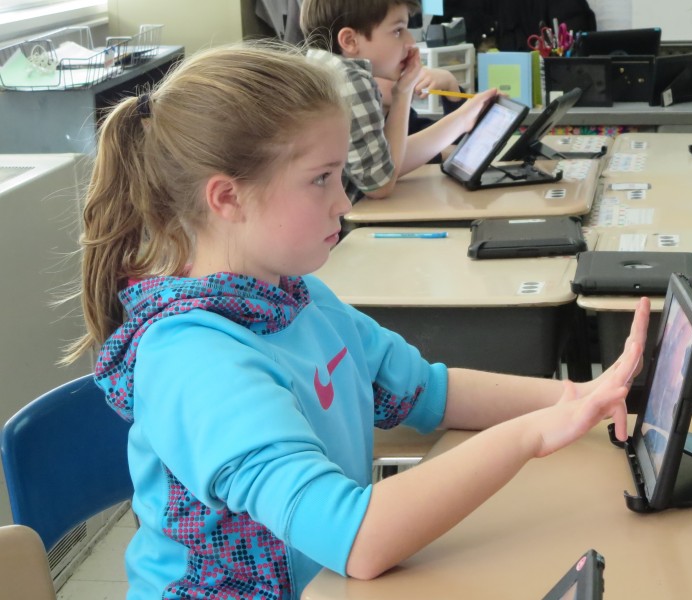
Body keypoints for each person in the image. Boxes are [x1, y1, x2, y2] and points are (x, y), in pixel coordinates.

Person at [62, 43, 650, 598]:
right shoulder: (194, 358)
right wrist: (530, 436)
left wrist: (579, 399)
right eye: (321, 179)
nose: (344, 202)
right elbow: (357, 537)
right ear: (227, 198)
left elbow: (430, 392)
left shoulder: (296, 298)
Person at [300, 0, 498, 202]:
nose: (411, 41)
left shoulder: (323, 67)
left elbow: (386, 162)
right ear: (350, 41)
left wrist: (405, 91)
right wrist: (405, 95)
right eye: (397, 31)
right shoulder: (351, 80)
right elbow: (379, 186)